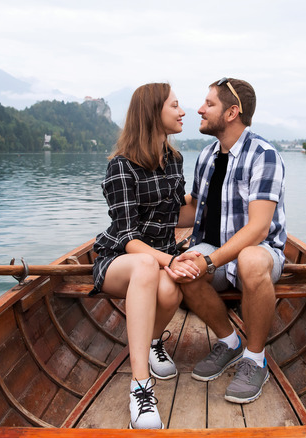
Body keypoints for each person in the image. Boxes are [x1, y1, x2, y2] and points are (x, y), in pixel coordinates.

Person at [171, 77, 286, 404]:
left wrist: (210, 261)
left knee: (249, 259)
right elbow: (194, 209)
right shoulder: (207, 156)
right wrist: (142, 215)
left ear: (232, 112)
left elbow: (259, 228)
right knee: (184, 265)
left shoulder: (263, 154)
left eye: (209, 104)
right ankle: (230, 341)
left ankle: (254, 358)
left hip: (263, 252)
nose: (199, 109)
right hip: (217, 248)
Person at [91, 83, 200, 429]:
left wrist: (224, 206)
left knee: (170, 291)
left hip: (159, 259)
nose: (183, 112)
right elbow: (127, 238)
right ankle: (140, 385)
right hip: (119, 261)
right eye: (176, 105)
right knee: (146, 264)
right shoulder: (121, 167)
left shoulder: (175, 160)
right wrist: (168, 260)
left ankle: (151, 342)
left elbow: (178, 214)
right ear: (154, 113)